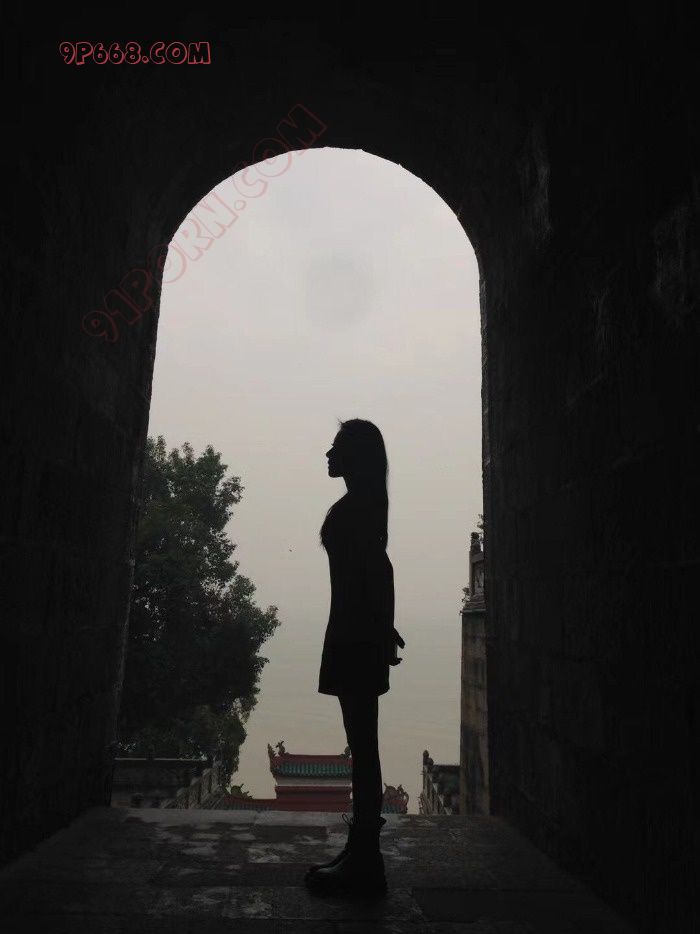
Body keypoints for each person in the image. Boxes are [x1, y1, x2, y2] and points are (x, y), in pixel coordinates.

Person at [304, 418, 405, 898]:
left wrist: (382, 628)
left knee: (363, 746)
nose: (328, 454)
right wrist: (383, 626)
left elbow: (379, 570)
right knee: (363, 744)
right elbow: (379, 569)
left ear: (356, 457)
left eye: (337, 447)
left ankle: (366, 859)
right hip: (356, 630)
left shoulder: (357, 510)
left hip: (356, 634)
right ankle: (361, 850)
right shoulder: (363, 506)